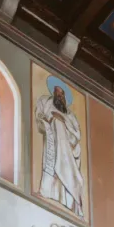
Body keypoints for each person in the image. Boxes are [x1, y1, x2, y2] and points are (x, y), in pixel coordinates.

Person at [35, 79, 84, 217]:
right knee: (52, 167)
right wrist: (51, 120)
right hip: (53, 144)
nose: (60, 97)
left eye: (62, 95)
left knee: (67, 172)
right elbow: (40, 117)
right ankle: (49, 193)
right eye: (57, 94)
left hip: (68, 151)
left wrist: (62, 120)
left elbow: (77, 135)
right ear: (53, 94)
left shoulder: (71, 116)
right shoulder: (46, 103)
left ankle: (68, 202)